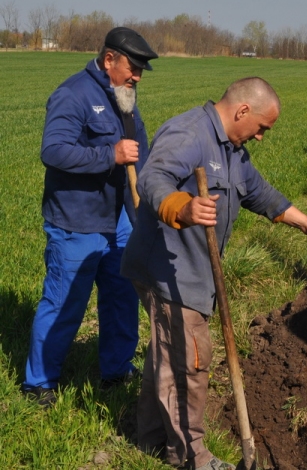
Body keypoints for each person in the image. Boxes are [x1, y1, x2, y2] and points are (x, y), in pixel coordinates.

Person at [120, 77, 307, 470]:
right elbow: (153, 178)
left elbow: (258, 192)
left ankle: (151, 440)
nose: (261, 137)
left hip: (194, 271)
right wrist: (181, 208)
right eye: (262, 128)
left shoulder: (232, 149)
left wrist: (303, 221)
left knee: (167, 355)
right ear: (242, 112)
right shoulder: (190, 133)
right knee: (190, 361)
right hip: (168, 269)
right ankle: (192, 456)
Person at [22, 27, 158, 407]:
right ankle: (39, 383)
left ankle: (116, 369)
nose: (137, 76)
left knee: (121, 299)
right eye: (133, 67)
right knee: (65, 302)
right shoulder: (73, 94)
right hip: (76, 222)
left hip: (120, 221)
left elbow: (139, 154)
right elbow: (53, 151)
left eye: (142, 70)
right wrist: (108, 156)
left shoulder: (125, 98)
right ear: (109, 58)